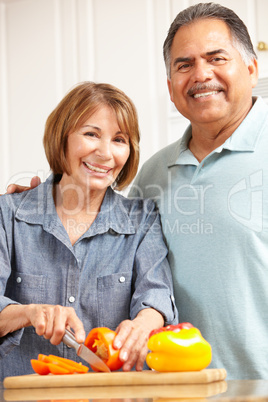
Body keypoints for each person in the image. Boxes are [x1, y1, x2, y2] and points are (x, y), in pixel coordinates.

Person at [0, 81, 177, 380]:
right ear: (62, 137)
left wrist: (143, 325)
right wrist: (29, 313)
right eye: (91, 134)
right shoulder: (8, 215)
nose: (105, 153)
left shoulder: (142, 219)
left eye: (119, 139)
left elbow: (156, 295)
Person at [129, 2, 267, 380]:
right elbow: (106, 260)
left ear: (252, 69)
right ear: (171, 88)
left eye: (216, 58)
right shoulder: (152, 173)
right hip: (177, 389)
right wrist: (46, 203)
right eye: (184, 65)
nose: (201, 74)